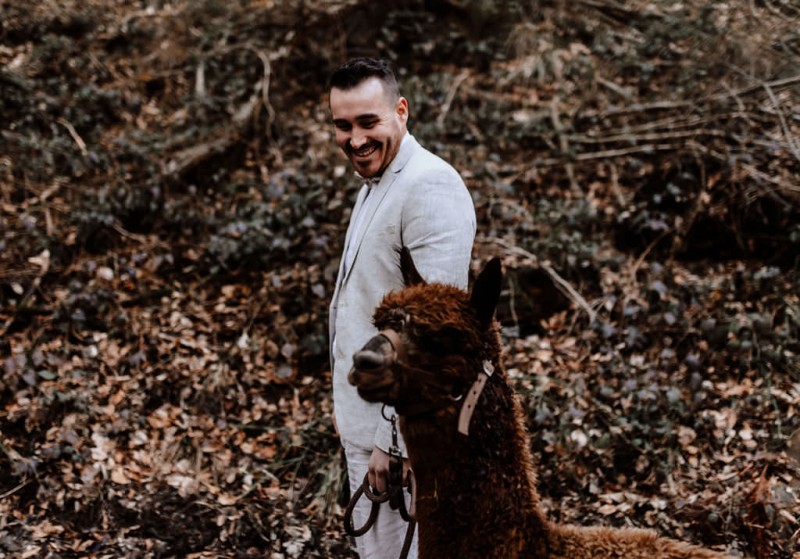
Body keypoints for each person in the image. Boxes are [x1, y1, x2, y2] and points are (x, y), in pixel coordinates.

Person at [327, 57, 476, 558]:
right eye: (343, 126)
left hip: (400, 438)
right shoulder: (378, 181)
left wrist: (393, 442)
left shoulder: (429, 187)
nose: (355, 139)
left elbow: (438, 336)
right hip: (365, 424)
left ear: (402, 111)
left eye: (368, 122)